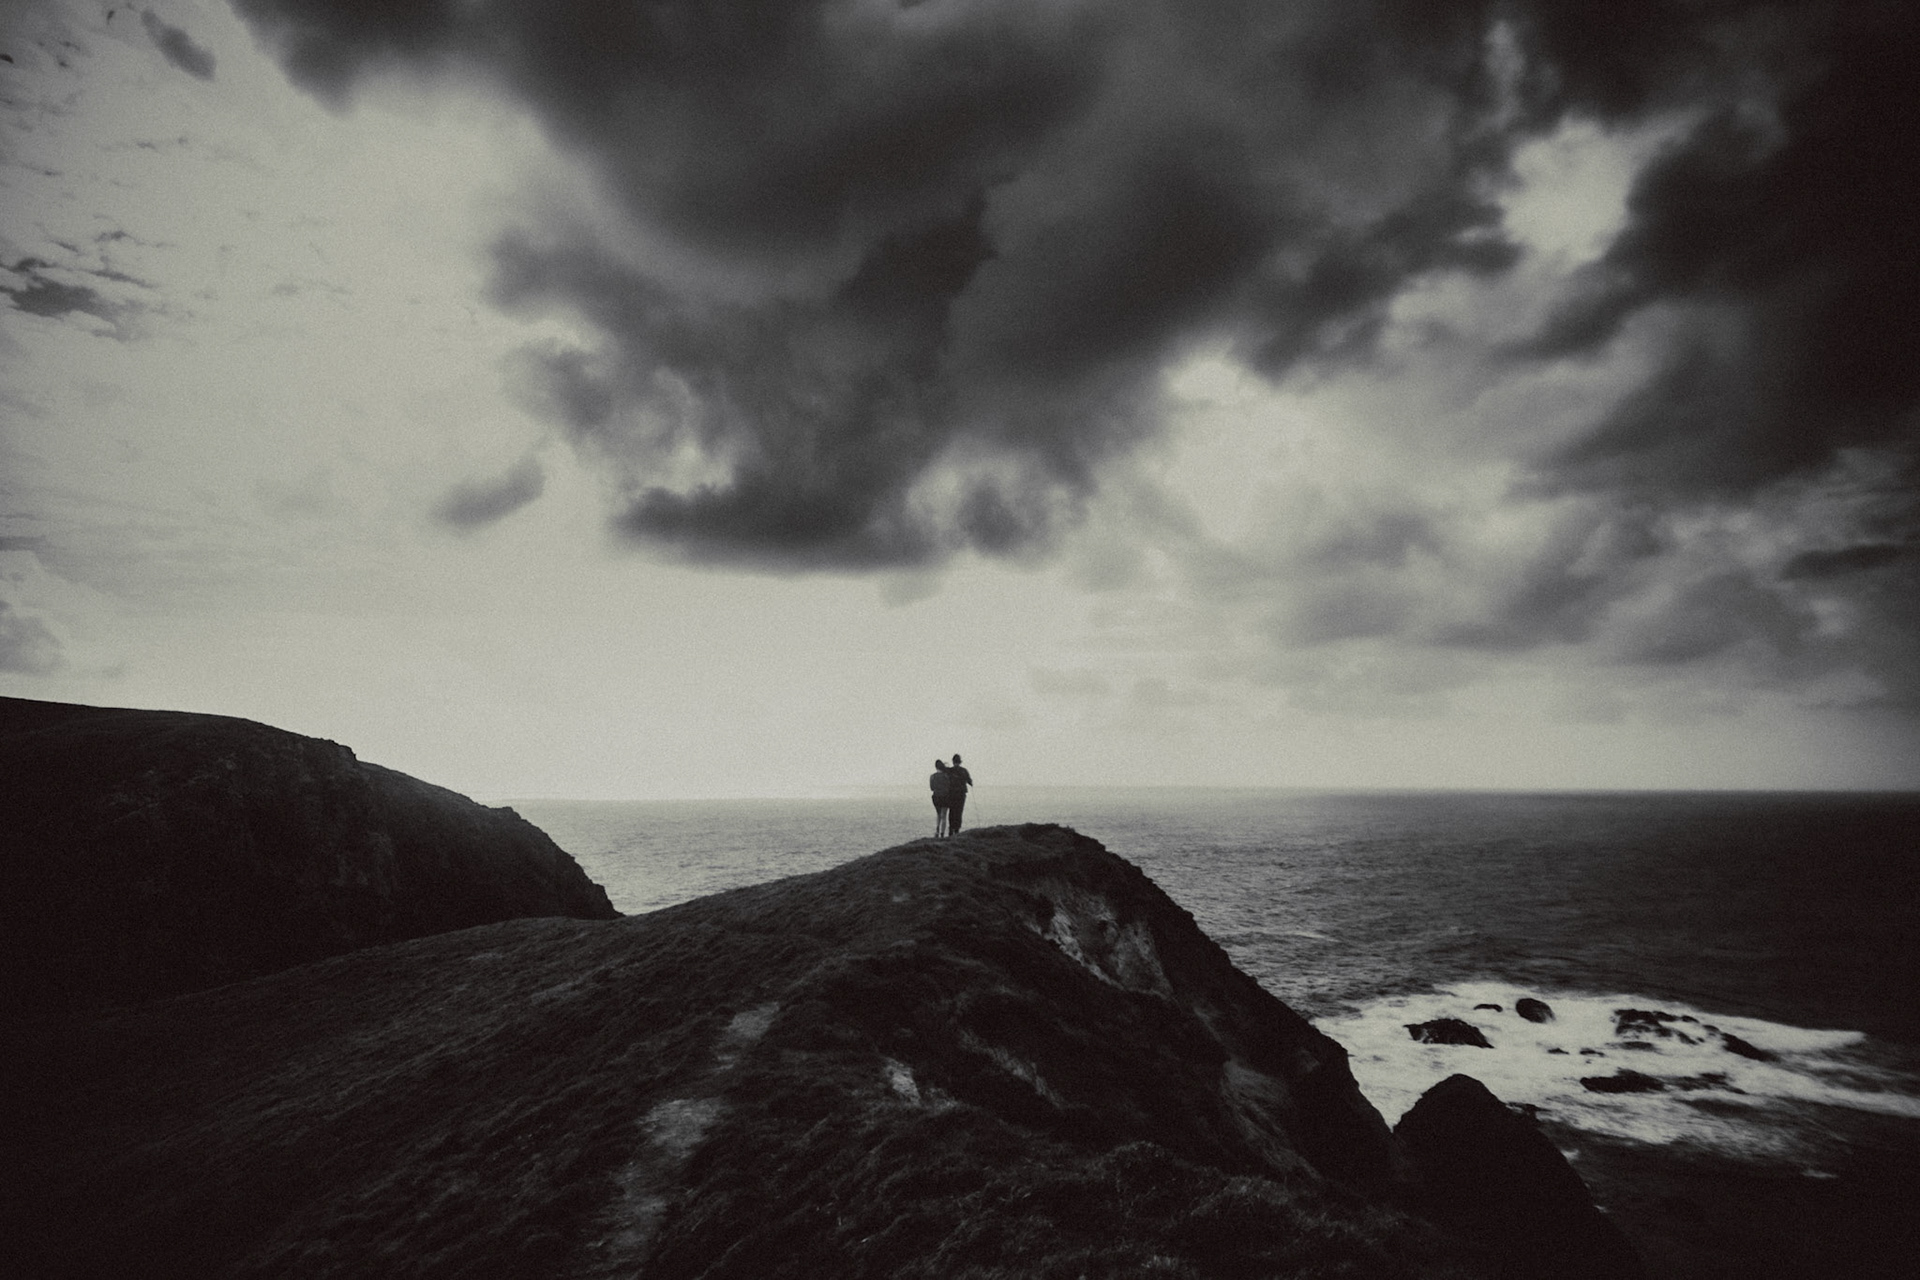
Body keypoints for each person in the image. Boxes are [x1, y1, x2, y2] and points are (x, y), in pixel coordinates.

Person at [945, 753, 973, 833]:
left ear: (953, 762)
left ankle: (951, 828)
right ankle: (957, 829)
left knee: (952, 811)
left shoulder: (949, 770)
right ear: (960, 762)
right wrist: (970, 782)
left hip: (951, 793)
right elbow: (969, 781)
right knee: (959, 811)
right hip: (961, 794)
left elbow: (943, 771)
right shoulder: (964, 770)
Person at [929, 759, 952, 837]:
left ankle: (937, 831)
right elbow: (949, 787)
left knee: (938, 814)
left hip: (936, 797)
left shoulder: (932, 776)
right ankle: (942, 833)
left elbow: (931, 788)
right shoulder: (946, 776)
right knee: (944, 815)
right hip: (945, 797)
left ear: (935, 767)